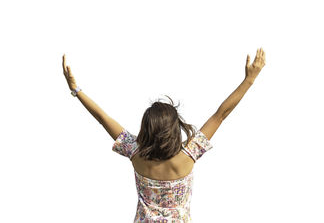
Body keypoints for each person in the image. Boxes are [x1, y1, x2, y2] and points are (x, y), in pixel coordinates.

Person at [62, 48, 266, 222]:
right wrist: (249, 80)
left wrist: (76, 89)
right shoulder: (188, 155)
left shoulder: (135, 153)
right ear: (175, 130)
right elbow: (220, 115)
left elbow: (102, 118)